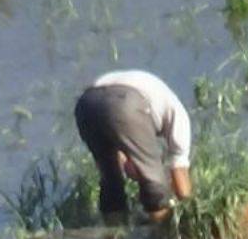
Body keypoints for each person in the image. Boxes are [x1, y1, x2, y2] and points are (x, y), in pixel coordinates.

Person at [74, 70, 193, 224]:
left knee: (111, 179)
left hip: (87, 104)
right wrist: (189, 211)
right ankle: (162, 237)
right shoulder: (180, 119)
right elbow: (181, 182)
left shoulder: (162, 102)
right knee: (154, 182)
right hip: (124, 101)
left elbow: (123, 155)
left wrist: (134, 166)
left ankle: (113, 238)